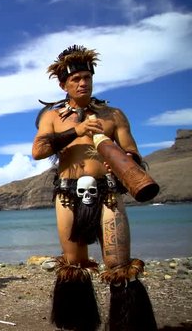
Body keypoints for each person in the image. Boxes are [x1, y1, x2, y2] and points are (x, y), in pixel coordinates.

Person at [32, 45, 156, 331]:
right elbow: (38, 150)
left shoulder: (113, 115)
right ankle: (78, 324)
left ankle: (128, 326)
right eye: (76, 79)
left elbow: (133, 151)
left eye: (87, 77)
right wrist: (75, 131)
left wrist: (127, 162)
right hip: (67, 193)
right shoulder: (52, 117)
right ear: (63, 84)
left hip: (108, 192)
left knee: (118, 264)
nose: (83, 82)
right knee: (74, 265)